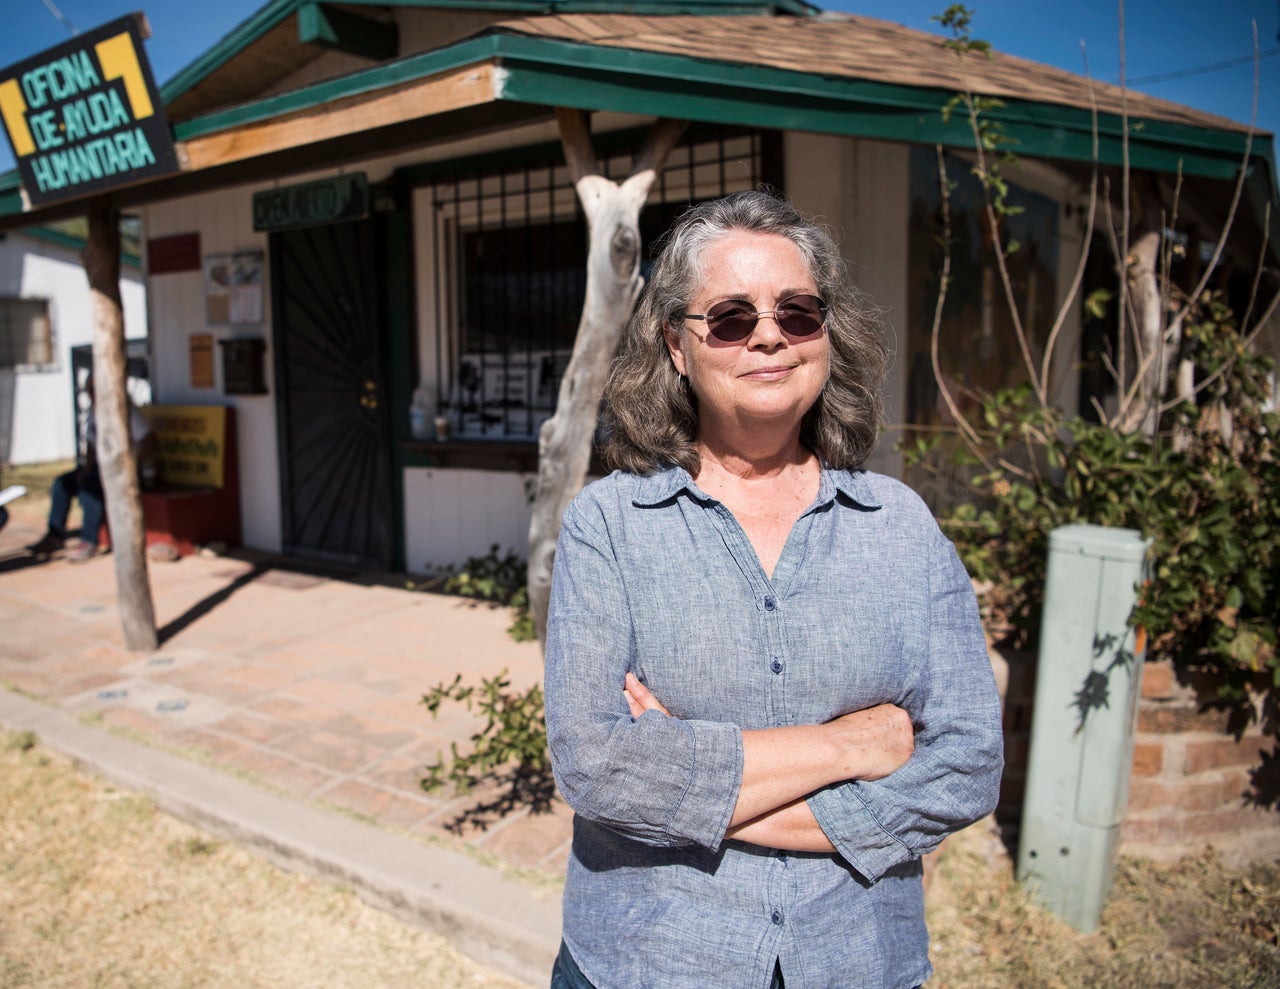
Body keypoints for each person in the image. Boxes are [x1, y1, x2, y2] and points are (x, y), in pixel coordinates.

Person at [544, 191, 1004, 989]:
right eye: (730, 316)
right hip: (650, 961)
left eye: (798, 312)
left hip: (857, 960)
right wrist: (853, 747)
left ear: (827, 335)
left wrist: (687, 779)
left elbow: (965, 763)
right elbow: (593, 763)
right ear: (677, 347)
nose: (768, 334)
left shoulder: (899, 524)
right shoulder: (609, 525)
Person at [27, 374, 156, 563]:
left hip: (124, 470)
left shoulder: (125, 410)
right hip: (99, 468)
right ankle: (55, 536)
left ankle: (89, 541)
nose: (91, 393)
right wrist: (85, 468)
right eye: (89, 389)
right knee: (62, 483)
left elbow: (149, 440)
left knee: (90, 487)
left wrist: (130, 465)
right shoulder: (95, 411)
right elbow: (91, 444)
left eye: (94, 388)